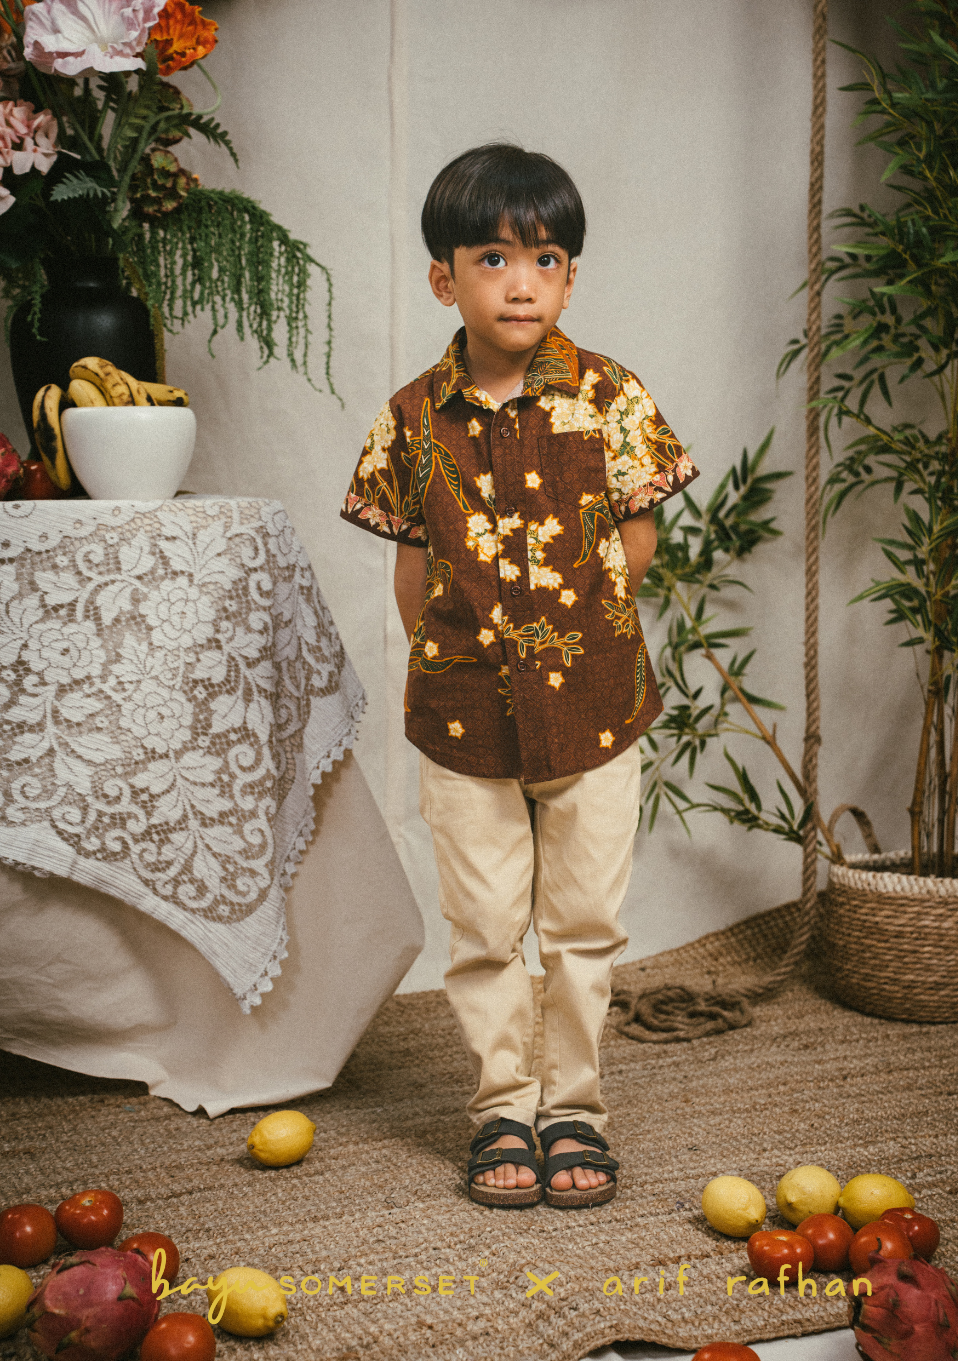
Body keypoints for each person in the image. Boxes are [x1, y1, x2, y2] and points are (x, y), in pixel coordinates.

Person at [341, 143, 697, 1208]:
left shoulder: (612, 397)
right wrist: (459, 657)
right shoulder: (411, 418)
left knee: (585, 924)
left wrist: (577, 635)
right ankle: (504, 1105)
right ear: (443, 276)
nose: (521, 282)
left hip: (596, 708)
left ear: (571, 278)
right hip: (465, 720)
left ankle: (574, 1109)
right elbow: (413, 570)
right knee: (486, 927)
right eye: (492, 258)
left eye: (545, 259)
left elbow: (635, 543)